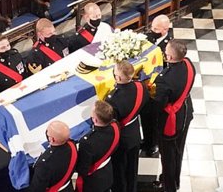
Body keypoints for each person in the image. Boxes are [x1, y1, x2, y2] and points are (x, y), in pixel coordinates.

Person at [153, 40, 195, 192]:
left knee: (168, 156)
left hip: (170, 122)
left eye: (166, 52)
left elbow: (158, 104)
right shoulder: (188, 64)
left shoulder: (164, 79)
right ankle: (174, 181)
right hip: (185, 113)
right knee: (179, 150)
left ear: (169, 58)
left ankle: (169, 186)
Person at [104, 60, 146, 192]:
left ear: (119, 77)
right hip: (134, 134)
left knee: (120, 172)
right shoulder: (140, 87)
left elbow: (110, 121)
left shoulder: (113, 99)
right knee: (132, 169)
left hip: (121, 139)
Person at [139, 15, 172, 157]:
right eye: (152, 27)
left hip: (157, 88)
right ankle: (146, 140)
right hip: (145, 83)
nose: (152, 30)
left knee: (154, 118)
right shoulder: (149, 38)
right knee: (145, 116)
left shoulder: (168, 46)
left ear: (164, 30)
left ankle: (152, 144)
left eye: (156, 29)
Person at [75, 100, 120, 192]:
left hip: (93, 183)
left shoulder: (87, 142)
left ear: (95, 120)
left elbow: (83, 169)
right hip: (107, 174)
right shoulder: (115, 127)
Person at [27, 120, 77, 192]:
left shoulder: (44, 164)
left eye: (47, 132)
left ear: (52, 139)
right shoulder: (72, 146)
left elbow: (36, 189)